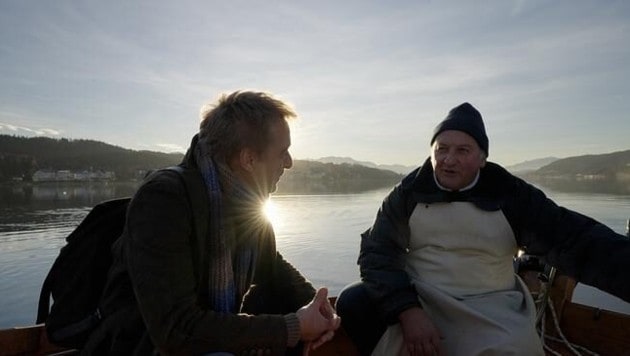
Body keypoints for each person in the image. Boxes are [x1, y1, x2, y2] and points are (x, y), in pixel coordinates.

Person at [335, 102, 630, 356]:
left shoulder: (511, 195)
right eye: (442, 149)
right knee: (353, 301)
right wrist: (408, 311)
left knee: (514, 347)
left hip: (490, 303)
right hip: (422, 296)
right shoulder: (408, 193)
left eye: (462, 150)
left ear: (482, 158)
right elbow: (377, 254)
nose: (449, 160)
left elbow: (576, 241)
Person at [82, 91, 340, 355]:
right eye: (283, 152)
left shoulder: (248, 203)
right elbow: (176, 329)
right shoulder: (164, 200)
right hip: (139, 346)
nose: (289, 163)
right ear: (249, 159)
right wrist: (291, 327)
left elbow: (273, 267)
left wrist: (319, 308)